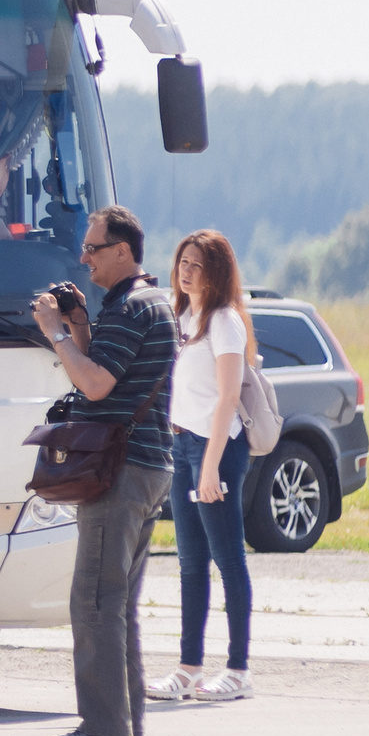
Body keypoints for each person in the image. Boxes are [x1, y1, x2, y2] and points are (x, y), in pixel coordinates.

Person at [31, 203, 178, 736]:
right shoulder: (152, 303)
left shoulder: (130, 309)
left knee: (93, 600)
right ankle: (125, 723)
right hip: (150, 464)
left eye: (93, 248)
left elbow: (94, 387)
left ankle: (103, 726)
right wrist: (83, 327)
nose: (84, 257)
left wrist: (55, 334)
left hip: (119, 470)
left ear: (123, 251)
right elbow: (114, 376)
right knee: (117, 603)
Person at [147, 229, 256, 704]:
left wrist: (211, 466)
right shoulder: (184, 317)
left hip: (217, 450)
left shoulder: (224, 321)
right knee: (191, 564)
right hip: (182, 447)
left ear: (216, 270)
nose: (186, 271)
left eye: (196, 264)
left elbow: (228, 395)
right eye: (182, 263)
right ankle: (189, 667)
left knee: (228, 559)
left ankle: (238, 669)